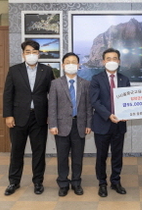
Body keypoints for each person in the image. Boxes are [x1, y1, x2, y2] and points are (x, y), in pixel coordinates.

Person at [3, 40, 54, 195]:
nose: (31, 54)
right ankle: (14, 182)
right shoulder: (14, 70)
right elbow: (8, 95)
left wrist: (50, 116)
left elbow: (52, 96)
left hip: (39, 118)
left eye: (34, 52)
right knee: (16, 151)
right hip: (18, 118)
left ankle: (38, 182)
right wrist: (8, 115)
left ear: (38, 54)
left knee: (39, 152)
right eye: (28, 52)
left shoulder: (46, 71)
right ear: (23, 54)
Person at [48, 52, 92, 196]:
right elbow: (52, 106)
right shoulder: (55, 83)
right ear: (63, 65)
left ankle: (76, 182)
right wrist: (52, 124)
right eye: (68, 62)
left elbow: (88, 106)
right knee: (62, 157)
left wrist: (88, 124)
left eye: (74, 62)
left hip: (79, 125)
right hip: (61, 126)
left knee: (78, 157)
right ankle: (63, 183)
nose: (71, 64)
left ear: (79, 65)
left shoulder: (85, 83)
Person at [89, 48, 130, 197]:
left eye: (114, 58)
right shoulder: (96, 79)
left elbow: (127, 100)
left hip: (119, 125)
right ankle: (102, 183)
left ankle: (116, 181)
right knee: (101, 156)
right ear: (103, 61)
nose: (111, 61)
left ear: (119, 61)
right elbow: (95, 101)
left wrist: (127, 113)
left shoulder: (124, 79)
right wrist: (109, 115)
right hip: (102, 124)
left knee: (117, 155)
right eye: (108, 58)